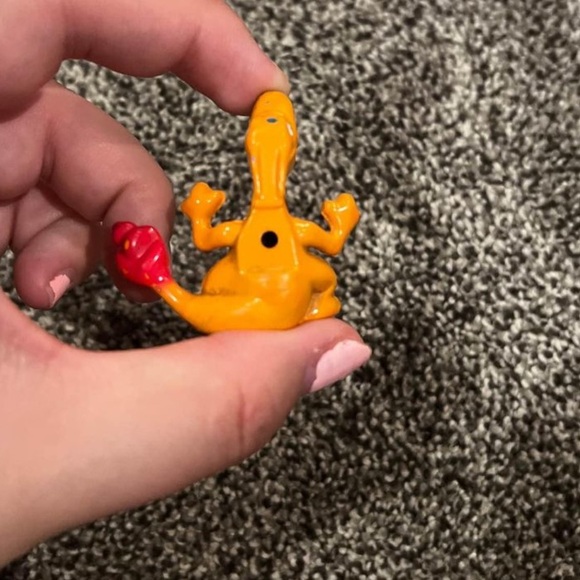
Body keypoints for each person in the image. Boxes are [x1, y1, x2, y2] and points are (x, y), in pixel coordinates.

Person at [0, 0, 371, 566]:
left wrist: (329, 224)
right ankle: (189, 293)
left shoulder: (279, 227)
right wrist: (205, 215)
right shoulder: (275, 226)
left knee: (312, 281)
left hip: (278, 288)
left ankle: (196, 293)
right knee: (301, 283)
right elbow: (220, 239)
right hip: (258, 289)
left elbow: (311, 243)